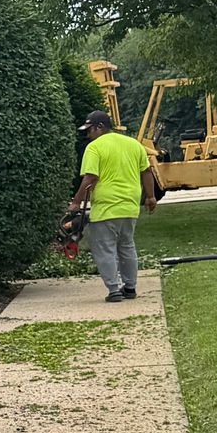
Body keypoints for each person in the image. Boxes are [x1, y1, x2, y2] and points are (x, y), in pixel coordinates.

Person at [68, 107, 160, 301]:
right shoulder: (133, 144)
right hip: (129, 206)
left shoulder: (94, 147)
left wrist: (76, 202)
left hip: (106, 207)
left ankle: (113, 290)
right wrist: (150, 197)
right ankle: (130, 287)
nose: (87, 135)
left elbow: (90, 178)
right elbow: (146, 171)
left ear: (100, 127)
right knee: (127, 245)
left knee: (105, 248)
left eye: (89, 130)